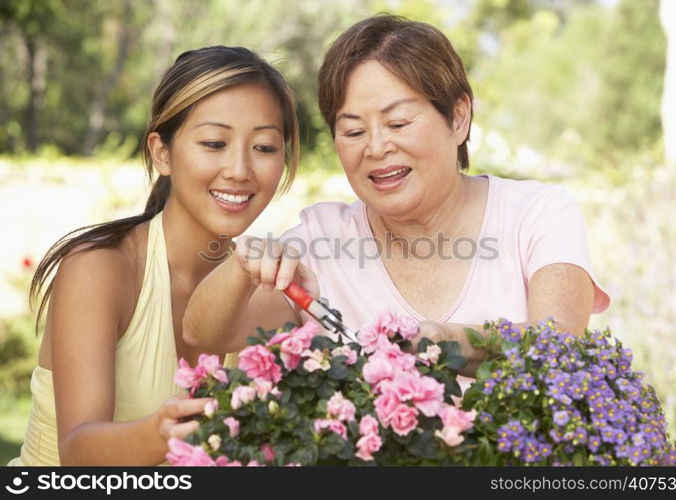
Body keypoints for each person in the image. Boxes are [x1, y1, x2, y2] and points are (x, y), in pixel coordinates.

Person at [182, 15, 609, 377]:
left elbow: (558, 346)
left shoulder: (537, 215)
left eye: (398, 122)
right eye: (352, 131)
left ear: (458, 118)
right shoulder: (322, 240)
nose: (376, 147)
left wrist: (449, 342)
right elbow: (204, 334)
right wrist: (242, 268)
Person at [8, 45, 299, 466]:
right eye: (215, 143)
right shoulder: (101, 269)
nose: (240, 169)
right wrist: (160, 434)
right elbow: (77, 452)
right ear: (162, 152)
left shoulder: (272, 299)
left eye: (265, 148)